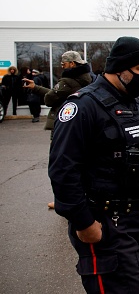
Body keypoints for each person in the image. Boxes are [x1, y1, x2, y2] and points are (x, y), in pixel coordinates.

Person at [48, 36, 139, 293]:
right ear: (120, 68)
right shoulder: (83, 106)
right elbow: (63, 169)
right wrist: (84, 223)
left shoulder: (135, 104)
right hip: (105, 223)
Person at [24, 51, 93, 209]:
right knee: (81, 163)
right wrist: (37, 88)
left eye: (64, 63)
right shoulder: (89, 78)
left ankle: (63, 200)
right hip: (80, 126)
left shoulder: (67, 81)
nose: (62, 66)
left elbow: (49, 99)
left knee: (60, 164)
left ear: (72, 64)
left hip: (63, 126)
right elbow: (55, 93)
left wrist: (37, 89)